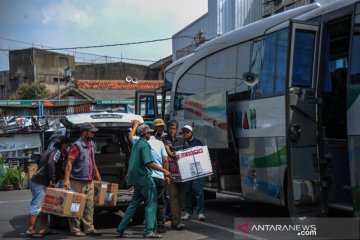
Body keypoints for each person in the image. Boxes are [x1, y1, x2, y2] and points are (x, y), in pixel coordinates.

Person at [117, 125, 171, 238]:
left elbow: (132, 162)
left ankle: (121, 228)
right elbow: (149, 163)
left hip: (136, 179)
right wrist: (164, 170)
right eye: (148, 133)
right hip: (145, 178)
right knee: (151, 204)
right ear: (145, 134)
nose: (150, 134)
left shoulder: (136, 144)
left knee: (133, 204)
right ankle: (148, 231)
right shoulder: (145, 145)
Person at [129, 120, 169, 234]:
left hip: (148, 177)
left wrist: (135, 125)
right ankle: (161, 227)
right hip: (160, 177)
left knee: (149, 203)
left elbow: (130, 136)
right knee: (160, 203)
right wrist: (166, 173)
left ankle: (149, 226)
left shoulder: (140, 141)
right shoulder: (160, 143)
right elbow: (165, 160)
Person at [26, 136, 70, 238]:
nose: (67, 147)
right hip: (39, 183)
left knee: (44, 208)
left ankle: (44, 228)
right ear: (63, 144)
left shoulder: (50, 150)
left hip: (40, 182)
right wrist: (53, 179)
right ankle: (30, 230)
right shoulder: (57, 152)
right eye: (67, 145)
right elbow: (51, 163)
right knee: (36, 206)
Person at [64, 123, 102, 237]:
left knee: (89, 206)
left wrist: (97, 172)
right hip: (77, 181)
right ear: (85, 132)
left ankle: (89, 228)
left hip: (89, 181)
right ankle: (75, 229)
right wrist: (67, 180)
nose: (93, 134)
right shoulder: (77, 145)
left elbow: (92, 160)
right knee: (75, 206)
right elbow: (69, 163)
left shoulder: (91, 143)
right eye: (92, 132)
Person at [162, 120, 186, 230]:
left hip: (182, 174)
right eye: (171, 128)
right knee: (173, 197)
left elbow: (187, 152)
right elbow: (167, 149)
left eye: (174, 128)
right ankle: (177, 222)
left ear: (177, 129)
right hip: (170, 174)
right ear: (168, 129)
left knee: (181, 198)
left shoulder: (181, 140)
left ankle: (175, 219)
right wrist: (172, 154)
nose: (172, 130)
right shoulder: (164, 139)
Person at [181, 125, 206, 221]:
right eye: (184, 132)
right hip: (186, 170)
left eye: (187, 132)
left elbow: (202, 155)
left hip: (197, 170)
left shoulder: (198, 142)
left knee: (198, 191)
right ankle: (188, 212)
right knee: (187, 192)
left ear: (191, 132)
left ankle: (200, 212)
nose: (185, 134)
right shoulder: (181, 142)